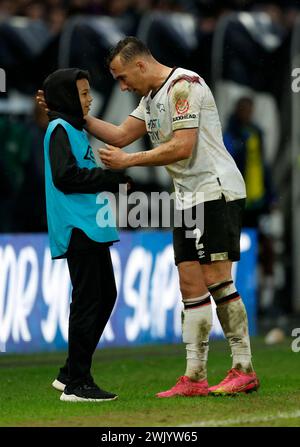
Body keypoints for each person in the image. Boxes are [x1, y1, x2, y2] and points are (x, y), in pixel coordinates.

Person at [37, 37, 259, 397]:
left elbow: (183, 146)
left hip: (214, 191)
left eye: (123, 77)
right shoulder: (151, 99)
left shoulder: (183, 86)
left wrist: (129, 162)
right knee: (190, 286)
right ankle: (195, 376)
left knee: (217, 279)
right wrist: (67, 110)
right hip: (187, 198)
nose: (122, 86)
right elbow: (121, 135)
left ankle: (242, 367)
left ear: (140, 65)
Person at [42, 67, 130, 402]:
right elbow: (65, 177)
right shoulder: (59, 128)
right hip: (78, 227)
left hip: (91, 227)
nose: (90, 98)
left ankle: (71, 374)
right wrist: (110, 179)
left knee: (103, 295)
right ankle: (78, 381)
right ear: (67, 97)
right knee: (88, 301)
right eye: (82, 93)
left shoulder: (74, 129)